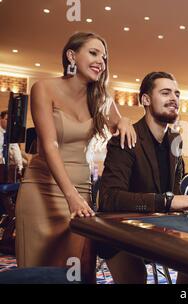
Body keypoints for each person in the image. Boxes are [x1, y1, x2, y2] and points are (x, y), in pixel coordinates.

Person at [14, 32, 136, 282]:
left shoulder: (101, 97)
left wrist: (124, 120)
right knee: (36, 273)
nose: (101, 61)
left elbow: (120, 121)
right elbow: (49, 145)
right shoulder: (44, 88)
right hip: (42, 189)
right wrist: (71, 196)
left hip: (81, 188)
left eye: (104, 57)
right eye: (93, 53)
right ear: (71, 55)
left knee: (77, 273)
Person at [98, 71, 188, 284]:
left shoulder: (176, 140)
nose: (174, 99)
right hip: (120, 232)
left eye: (176, 94)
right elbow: (109, 198)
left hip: (159, 228)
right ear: (146, 99)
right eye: (165, 93)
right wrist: (167, 201)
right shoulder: (126, 138)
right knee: (137, 278)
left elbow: (175, 194)